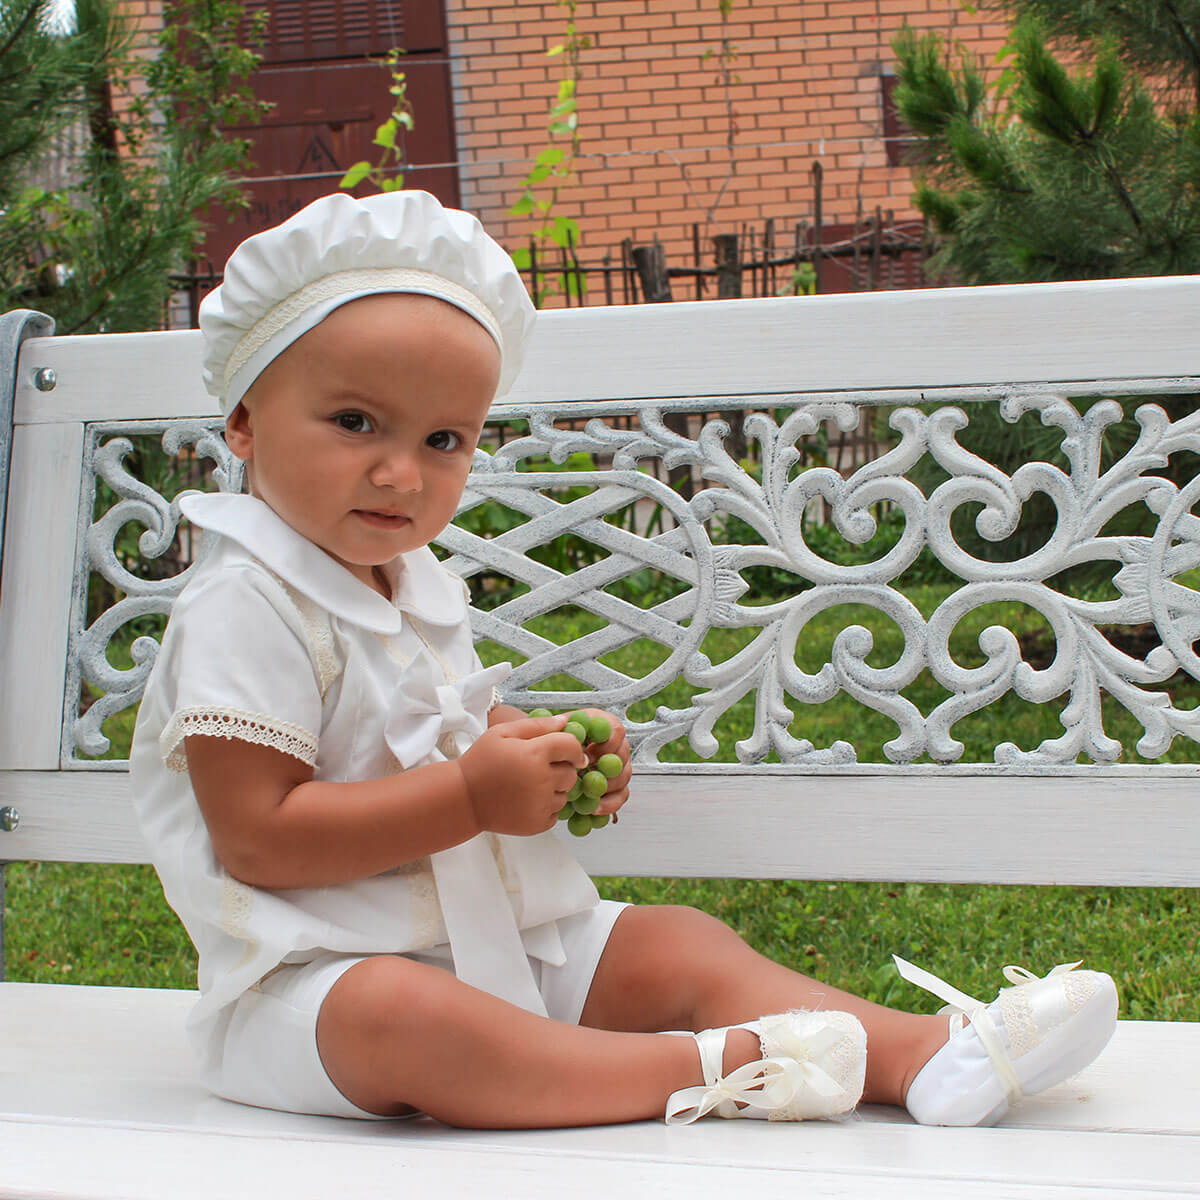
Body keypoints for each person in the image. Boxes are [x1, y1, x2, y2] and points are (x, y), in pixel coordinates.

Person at [129, 189, 1119, 1130]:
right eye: (355, 422)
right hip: (310, 987)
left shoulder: (408, 582)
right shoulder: (245, 601)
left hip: (484, 944)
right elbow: (259, 837)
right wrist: (473, 798)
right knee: (403, 1020)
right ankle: (734, 1067)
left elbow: (419, 737)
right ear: (246, 421)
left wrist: (537, 759)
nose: (401, 472)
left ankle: (930, 1055)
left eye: (444, 440)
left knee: (676, 941)